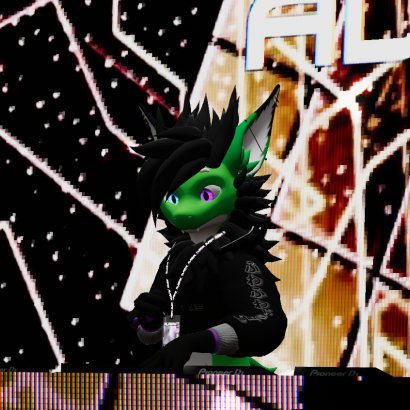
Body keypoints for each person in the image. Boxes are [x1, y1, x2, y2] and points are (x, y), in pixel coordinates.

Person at [128, 86, 287, 373]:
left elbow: (268, 323)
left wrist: (199, 342)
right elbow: (163, 335)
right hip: (177, 384)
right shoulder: (172, 263)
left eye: (205, 193)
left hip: (231, 384)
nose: (183, 209)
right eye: (173, 198)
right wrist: (149, 323)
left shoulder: (237, 259)